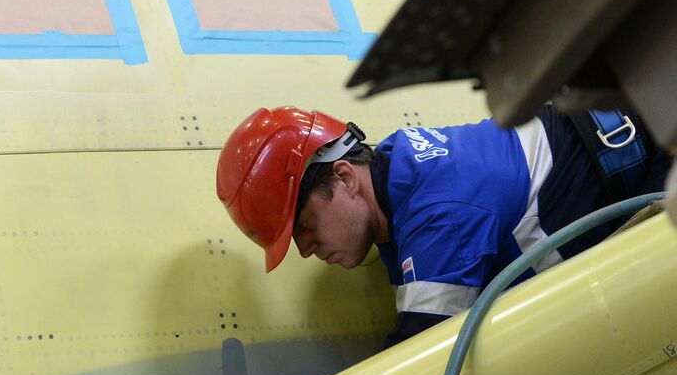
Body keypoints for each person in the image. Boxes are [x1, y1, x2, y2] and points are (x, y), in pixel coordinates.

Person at [216, 105, 670, 346]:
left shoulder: (439, 215)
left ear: (344, 177)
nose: (306, 249)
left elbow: (417, 362)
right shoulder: (398, 172)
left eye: (306, 225)